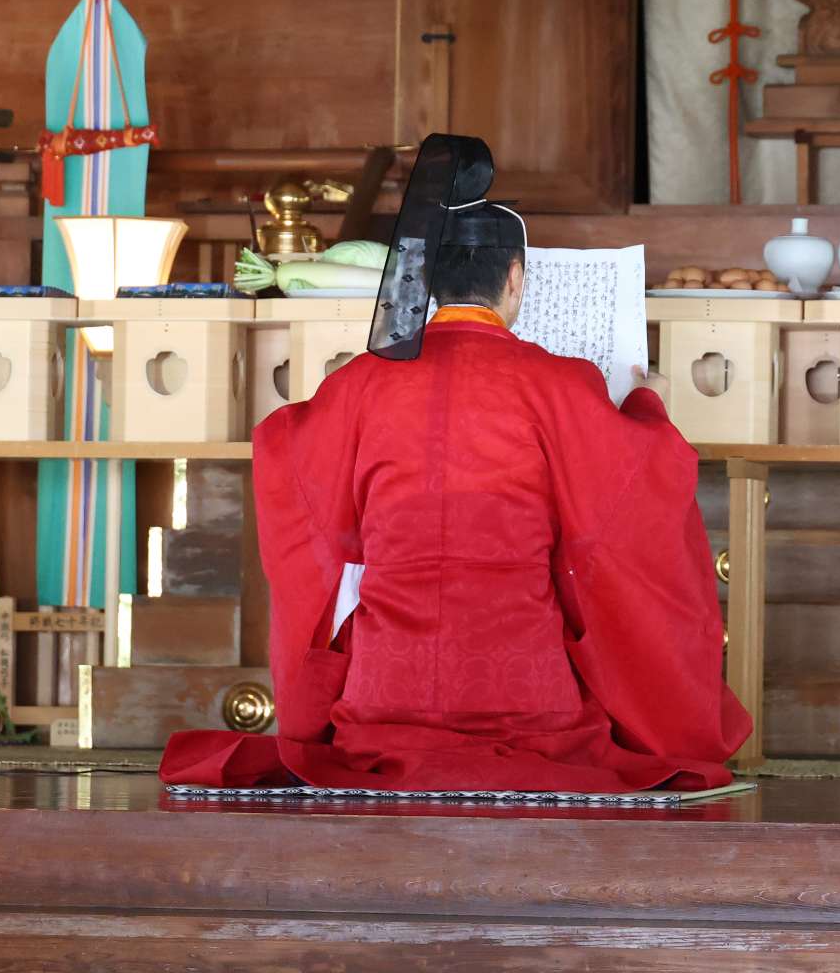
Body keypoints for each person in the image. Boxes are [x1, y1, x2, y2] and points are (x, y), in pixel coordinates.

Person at [159, 135, 750, 793]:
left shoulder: (361, 385)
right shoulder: (559, 383)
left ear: (430, 281)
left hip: (386, 695)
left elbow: (284, 451)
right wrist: (645, 405)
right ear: (516, 278)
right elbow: (635, 498)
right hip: (527, 695)